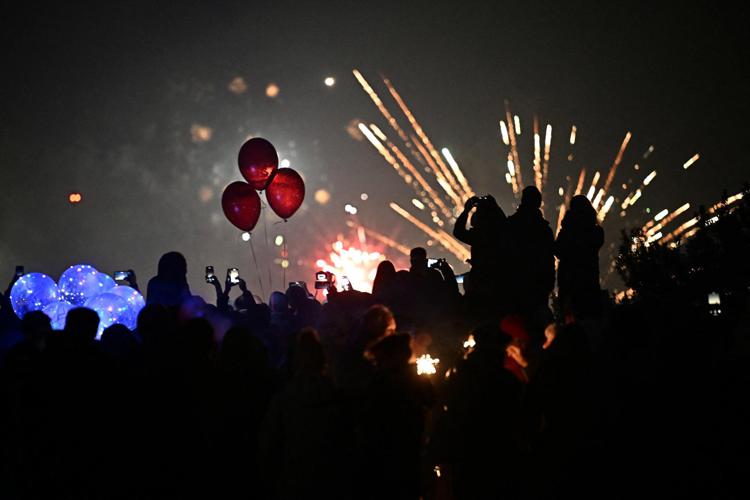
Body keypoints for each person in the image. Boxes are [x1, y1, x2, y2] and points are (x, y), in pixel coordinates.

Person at [507, 187, 555, 321]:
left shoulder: (511, 224)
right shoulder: (543, 229)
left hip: (516, 282)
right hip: (538, 283)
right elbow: (549, 256)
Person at [554, 195, 604, 318]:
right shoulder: (596, 231)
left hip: (568, 282)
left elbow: (558, 250)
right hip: (589, 281)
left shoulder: (568, 231)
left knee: (568, 320)